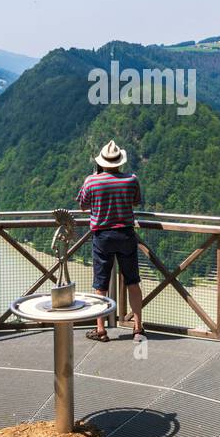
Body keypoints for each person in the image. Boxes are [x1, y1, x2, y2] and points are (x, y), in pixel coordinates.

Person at [77, 140, 145, 342]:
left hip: (102, 237)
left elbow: (82, 205)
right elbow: (135, 201)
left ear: (102, 161)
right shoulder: (131, 179)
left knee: (100, 285)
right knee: (133, 282)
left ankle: (100, 330)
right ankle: (138, 328)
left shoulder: (91, 181)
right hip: (126, 235)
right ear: (119, 162)